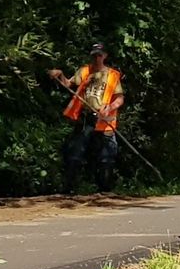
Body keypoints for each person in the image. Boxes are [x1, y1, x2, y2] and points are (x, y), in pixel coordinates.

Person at [49, 43, 124, 194]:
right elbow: (68, 84)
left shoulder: (112, 75)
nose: (97, 58)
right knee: (76, 151)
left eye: (99, 55)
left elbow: (120, 98)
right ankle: (68, 188)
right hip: (86, 117)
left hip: (105, 119)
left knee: (106, 155)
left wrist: (109, 107)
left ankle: (105, 190)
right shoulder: (85, 71)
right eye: (94, 55)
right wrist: (60, 75)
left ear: (105, 56)